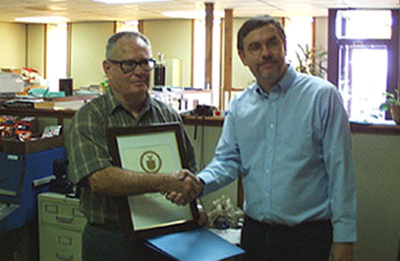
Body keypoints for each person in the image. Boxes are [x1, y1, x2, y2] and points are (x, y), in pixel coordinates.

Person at [170, 15, 357, 261]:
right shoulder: (240, 105)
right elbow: (227, 161)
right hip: (255, 236)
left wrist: (344, 237)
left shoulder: (322, 97)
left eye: (272, 43)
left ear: (284, 46)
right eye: (255, 47)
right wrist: (199, 183)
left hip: (308, 238)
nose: (265, 53)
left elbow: (340, 171)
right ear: (242, 56)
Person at [67, 31, 203, 261]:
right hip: (111, 240)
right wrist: (164, 181)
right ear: (108, 68)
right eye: (129, 64)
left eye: (146, 63)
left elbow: (189, 168)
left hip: (166, 235)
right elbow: (99, 178)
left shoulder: (168, 115)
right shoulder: (90, 117)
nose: (140, 71)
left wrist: (194, 204)